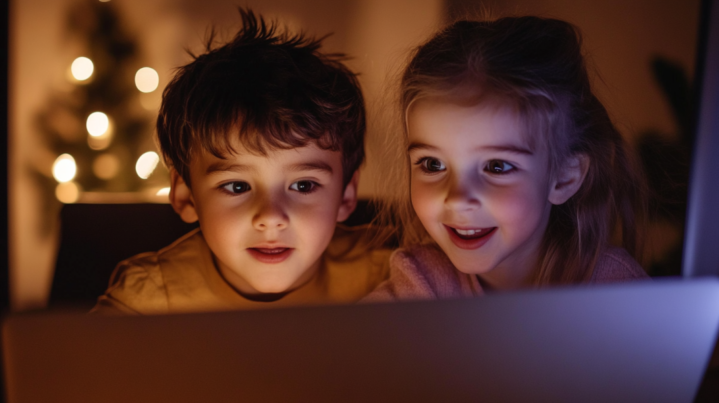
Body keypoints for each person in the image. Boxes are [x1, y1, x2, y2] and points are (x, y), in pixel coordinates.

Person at [92, 9, 390, 314]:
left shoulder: (393, 275)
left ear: (346, 194)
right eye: (236, 186)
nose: (271, 217)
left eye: (304, 185)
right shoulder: (147, 303)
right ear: (186, 195)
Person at [366, 16, 648, 301]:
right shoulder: (422, 281)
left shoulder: (614, 290)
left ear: (565, 176)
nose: (458, 199)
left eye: (496, 167)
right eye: (432, 164)